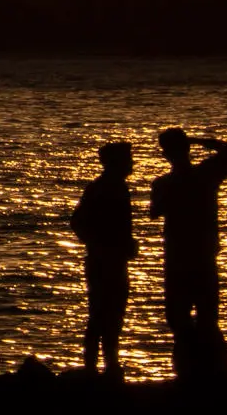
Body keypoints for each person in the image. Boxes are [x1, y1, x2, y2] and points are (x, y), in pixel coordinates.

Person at [149, 127, 227, 380]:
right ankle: (214, 371)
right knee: (206, 317)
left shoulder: (164, 183)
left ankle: (189, 371)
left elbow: (155, 212)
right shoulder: (205, 175)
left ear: (165, 153)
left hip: (179, 257)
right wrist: (199, 140)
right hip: (200, 255)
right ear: (187, 148)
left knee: (180, 318)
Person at [72, 141, 139, 378]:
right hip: (106, 260)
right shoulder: (106, 189)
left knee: (107, 314)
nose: (132, 163)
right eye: (128, 159)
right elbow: (77, 222)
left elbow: (78, 222)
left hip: (110, 258)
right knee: (104, 313)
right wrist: (101, 243)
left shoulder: (109, 187)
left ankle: (106, 364)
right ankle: (101, 366)